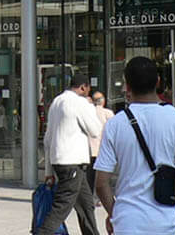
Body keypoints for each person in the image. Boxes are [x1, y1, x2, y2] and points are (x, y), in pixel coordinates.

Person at [94, 57, 175, 235]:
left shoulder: (116, 123)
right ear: (158, 82)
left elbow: (101, 183)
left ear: (127, 86)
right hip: (166, 224)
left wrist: (115, 215)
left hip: (127, 224)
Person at [37, 71, 103, 235]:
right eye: (88, 89)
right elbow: (95, 130)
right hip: (72, 162)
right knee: (62, 206)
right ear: (83, 87)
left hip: (61, 161)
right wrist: (90, 107)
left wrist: (48, 171)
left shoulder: (57, 102)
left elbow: (48, 138)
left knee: (86, 205)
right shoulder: (79, 103)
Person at [87, 91, 114, 193]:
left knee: (90, 175)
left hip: (90, 149)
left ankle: (90, 195)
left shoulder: (88, 112)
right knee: (103, 176)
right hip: (104, 149)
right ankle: (100, 197)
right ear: (103, 101)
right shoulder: (108, 113)